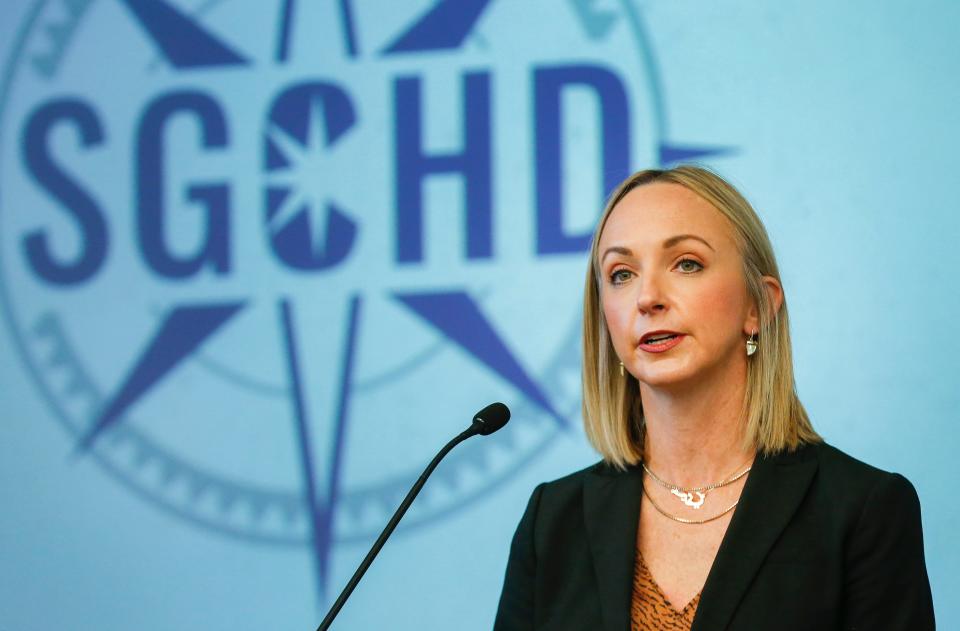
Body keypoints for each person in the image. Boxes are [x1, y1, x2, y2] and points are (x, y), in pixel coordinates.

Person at [493, 166, 935, 630]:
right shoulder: (552, 522)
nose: (647, 298)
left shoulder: (863, 511)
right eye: (621, 274)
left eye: (686, 263)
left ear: (757, 306)